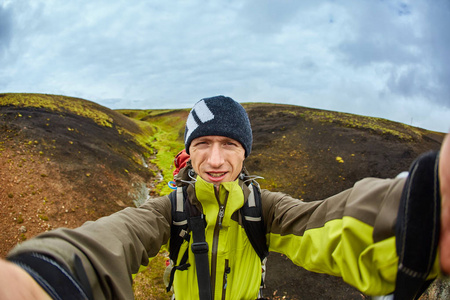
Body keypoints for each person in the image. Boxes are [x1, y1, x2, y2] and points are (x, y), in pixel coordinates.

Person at [1, 95, 449, 300]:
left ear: (245, 152)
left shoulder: (265, 207)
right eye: (203, 144)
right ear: (189, 152)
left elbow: (327, 222)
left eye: (229, 145)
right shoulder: (168, 209)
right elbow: (116, 236)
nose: (215, 160)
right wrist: (49, 275)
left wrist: (419, 205)